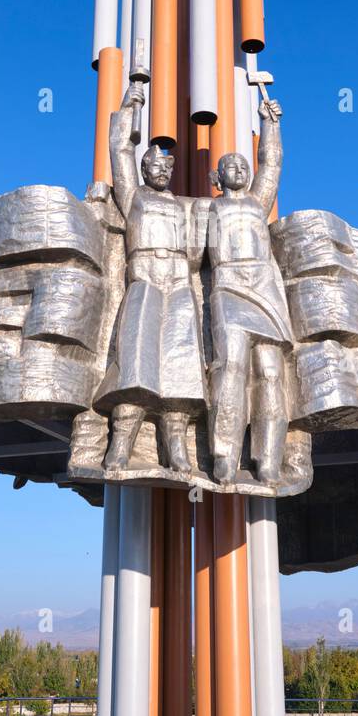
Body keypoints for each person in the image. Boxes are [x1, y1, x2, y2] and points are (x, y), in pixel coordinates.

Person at [94, 82, 205, 473]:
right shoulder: (133, 197)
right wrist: (130, 105)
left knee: (181, 363)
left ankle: (176, 447)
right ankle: (120, 444)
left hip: (178, 279)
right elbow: (119, 149)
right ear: (145, 169)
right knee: (136, 359)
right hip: (144, 276)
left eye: (166, 167)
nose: (161, 171)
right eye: (154, 166)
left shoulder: (184, 206)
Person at [204, 97, 292, 487]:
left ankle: (269, 458)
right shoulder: (206, 210)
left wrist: (269, 124)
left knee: (271, 374)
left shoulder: (258, 202)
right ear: (216, 179)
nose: (238, 168)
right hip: (228, 287)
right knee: (232, 368)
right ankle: (224, 455)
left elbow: (270, 164)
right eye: (229, 166)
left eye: (242, 164)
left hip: (264, 288)